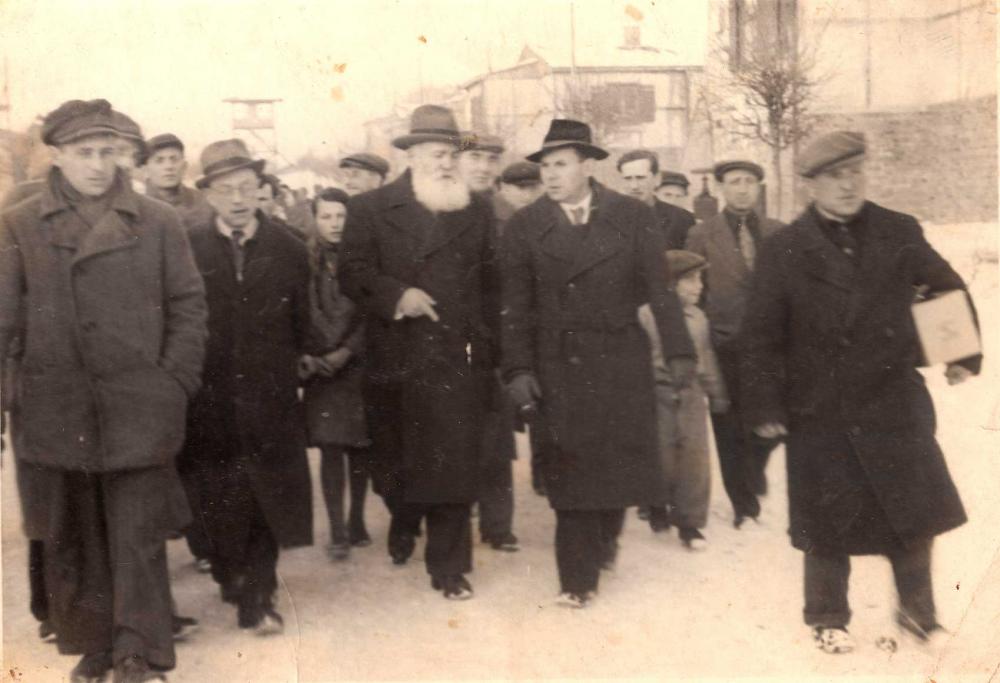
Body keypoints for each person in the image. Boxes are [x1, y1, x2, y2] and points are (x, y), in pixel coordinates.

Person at [741, 131, 981, 654]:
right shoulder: (783, 248)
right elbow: (760, 333)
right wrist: (764, 404)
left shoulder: (899, 230)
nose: (848, 185)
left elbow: (945, 286)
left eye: (855, 172)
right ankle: (827, 617)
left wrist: (958, 354)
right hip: (819, 406)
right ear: (810, 185)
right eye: (833, 176)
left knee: (912, 514)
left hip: (893, 398)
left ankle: (919, 616)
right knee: (826, 520)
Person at [0, 99, 207, 683]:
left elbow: (188, 305)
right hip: (56, 407)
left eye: (107, 152)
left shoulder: (158, 221)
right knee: (78, 539)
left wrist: (174, 383)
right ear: (58, 156)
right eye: (83, 153)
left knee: (137, 536)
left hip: (140, 406)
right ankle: (95, 645)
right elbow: (3, 320)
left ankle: (138, 651)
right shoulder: (19, 224)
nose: (97, 165)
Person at [502, 119, 696, 607]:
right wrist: (518, 369)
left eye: (560, 164)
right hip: (556, 363)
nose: (550, 175)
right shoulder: (524, 226)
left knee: (613, 471)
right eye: (544, 166)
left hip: (619, 359)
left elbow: (659, 289)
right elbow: (515, 305)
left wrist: (678, 352)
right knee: (570, 477)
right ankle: (576, 579)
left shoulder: (631, 216)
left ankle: (606, 538)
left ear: (587, 165)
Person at [339, 104, 499, 600]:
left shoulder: (476, 208)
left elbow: (493, 287)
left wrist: (486, 349)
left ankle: (449, 567)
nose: (448, 163)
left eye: (454, 153)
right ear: (412, 156)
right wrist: (396, 295)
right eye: (437, 153)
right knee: (395, 468)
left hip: (455, 359)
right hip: (396, 360)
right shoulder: (371, 208)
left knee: (452, 467)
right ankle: (404, 517)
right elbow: (351, 274)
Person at [179, 138, 314, 635]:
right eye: (225, 189)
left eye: (246, 187)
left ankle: (259, 593)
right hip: (207, 397)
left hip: (268, 394)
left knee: (266, 496)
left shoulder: (289, 248)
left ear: (261, 190)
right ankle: (229, 571)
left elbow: (302, 325)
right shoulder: (187, 246)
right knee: (215, 496)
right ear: (209, 195)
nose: (237, 198)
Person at [685, 159, 785, 528]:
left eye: (749, 182)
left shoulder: (778, 232)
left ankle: (756, 467)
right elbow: (695, 290)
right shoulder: (702, 234)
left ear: (759, 188)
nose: (742, 189)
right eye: (734, 182)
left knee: (772, 420)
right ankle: (744, 504)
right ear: (723, 188)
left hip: (770, 345)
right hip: (723, 343)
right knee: (727, 425)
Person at [300, 187, 372, 560]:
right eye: (326, 216)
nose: (334, 224)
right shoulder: (304, 261)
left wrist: (346, 351)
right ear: (315, 219)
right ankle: (338, 530)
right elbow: (300, 309)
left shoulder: (363, 258)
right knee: (330, 447)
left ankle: (358, 518)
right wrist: (314, 355)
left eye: (341, 216)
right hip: (320, 368)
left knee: (360, 447)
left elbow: (371, 312)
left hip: (356, 364)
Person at [638, 250, 728, 548]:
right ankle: (656, 504)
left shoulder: (699, 318)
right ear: (670, 283)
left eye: (700, 279)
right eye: (689, 280)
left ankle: (690, 524)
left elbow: (706, 359)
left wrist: (716, 393)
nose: (698, 286)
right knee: (661, 455)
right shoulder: (647, 315)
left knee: (694, 460)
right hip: (656, 393)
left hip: (691, 395)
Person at [457, 131, 520, 552]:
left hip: (494, 342)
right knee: (453, 437)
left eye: (490, 159)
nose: (482, 166)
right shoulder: (440, 209)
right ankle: (455, 521)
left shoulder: (508, 216)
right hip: (448, 341)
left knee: (497, 439)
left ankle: (497, 525)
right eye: (474, 157)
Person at [617, 149, 695, 249]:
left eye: (640, 178)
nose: (634, 186)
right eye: (627, 179)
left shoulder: (681, 219)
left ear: (657, 179)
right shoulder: (606, 219)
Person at [143, 133, 213, 230]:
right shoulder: (137, 205)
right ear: (146, 169)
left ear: (184, 166)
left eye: (174, 159)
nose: (169, 166)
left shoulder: (203, 202)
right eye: (159, 160)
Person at [256, 173, 303, 240]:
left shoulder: (290, 236)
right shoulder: (237, 234)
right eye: (251, 199)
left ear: (276, 201)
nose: (256, 205)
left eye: (262, 199)